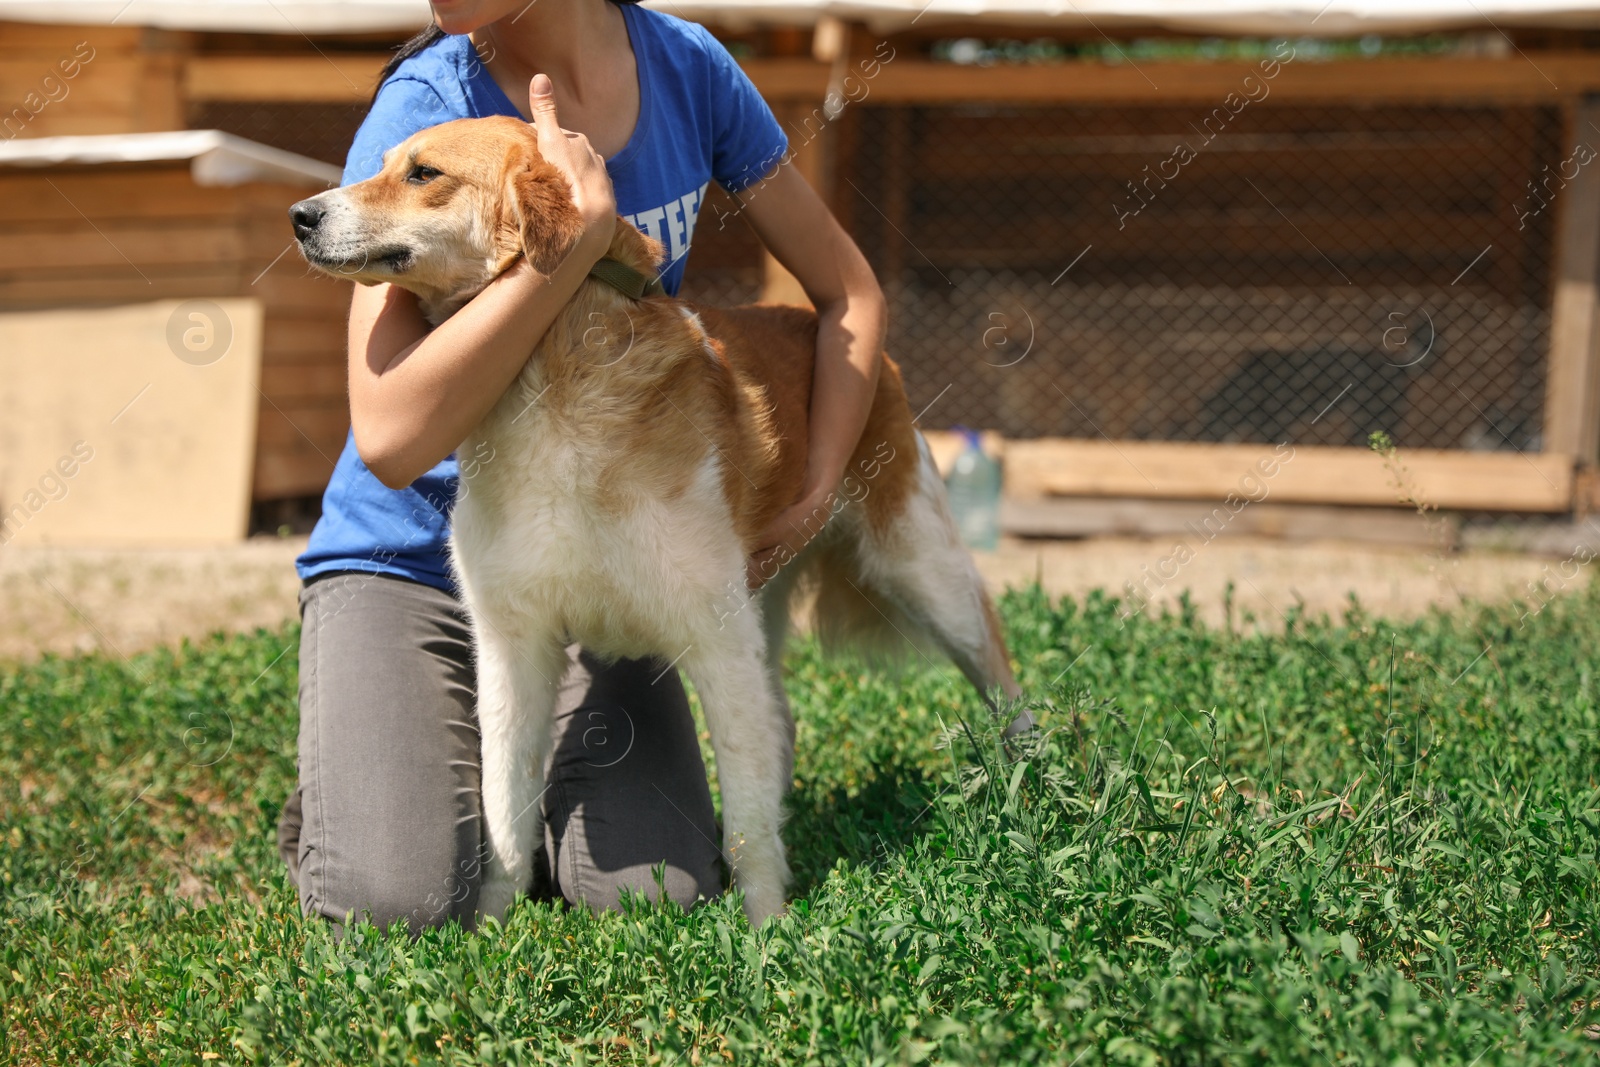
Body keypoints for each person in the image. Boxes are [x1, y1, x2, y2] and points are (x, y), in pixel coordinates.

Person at [276, 0, 888, 932]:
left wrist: (814, 491)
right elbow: (393, 443)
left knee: (659, 894)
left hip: (599, 566)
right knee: (398, 898)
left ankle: (467, 783)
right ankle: (368, 765)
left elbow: (847, 291)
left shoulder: (689, 68)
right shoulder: (427, 103)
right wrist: (577, 238)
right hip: (402, 558)